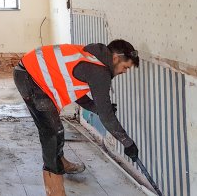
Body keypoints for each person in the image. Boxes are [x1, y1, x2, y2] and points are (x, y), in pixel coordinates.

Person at [13, 39, 140, 196]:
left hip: (29, 71)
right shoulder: (99, 71)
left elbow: (75, 92)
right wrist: (128, 143)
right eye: (125, 67)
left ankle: (62, 163)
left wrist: (98, 108)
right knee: (52, 133)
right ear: (115, 58)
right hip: (29, 78)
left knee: (55, 128)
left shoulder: (93, 57)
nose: (124, 72)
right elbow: (107, 117)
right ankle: (55, 191)